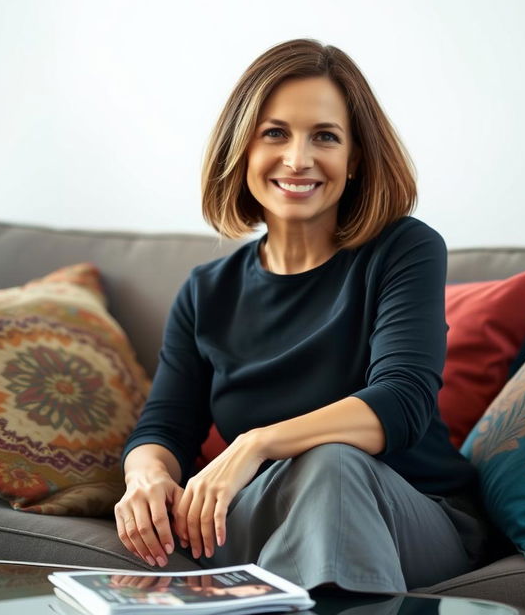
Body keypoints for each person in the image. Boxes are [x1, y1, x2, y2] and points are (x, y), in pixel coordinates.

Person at [115, 38, 488, 593]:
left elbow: (402, 400)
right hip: (259, 516)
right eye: (275, 133)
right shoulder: (205, 290)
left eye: (325, 137)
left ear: (355, 157)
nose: (298, 159)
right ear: (241, 148)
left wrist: (256, 443)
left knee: (331, 465)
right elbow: (165, 426)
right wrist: (144, 476)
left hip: (412, 517)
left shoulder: (405, 249)